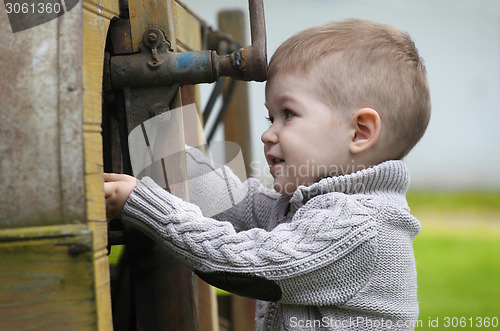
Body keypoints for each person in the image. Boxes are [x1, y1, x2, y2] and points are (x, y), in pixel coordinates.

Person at [104, 18, 431, 330]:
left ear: (360, 132)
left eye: (288, 114)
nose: (268, 135)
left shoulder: (358, 227)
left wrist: (146, 206)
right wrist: (158, 140)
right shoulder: (315, 206)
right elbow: (236, 203)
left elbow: (244, 264)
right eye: (269, 118)